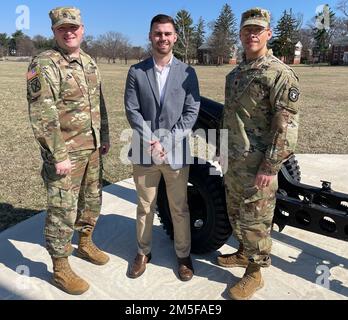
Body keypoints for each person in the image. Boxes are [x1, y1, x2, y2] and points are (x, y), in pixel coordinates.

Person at [217, 7, 300, 300]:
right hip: (234, 162)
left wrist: (270, 165)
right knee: (237, 215)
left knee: (256, 221)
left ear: (268, 33)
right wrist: (222, 152)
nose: (252, 34)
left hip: (259, 166)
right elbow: (229, 117)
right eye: (247, 30)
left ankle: (255, 273)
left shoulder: (279, 73)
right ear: (240, 35)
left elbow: (286, 127)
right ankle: (243, 254)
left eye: (257, 30)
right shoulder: (235, 74)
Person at [27, 6, 110, 295]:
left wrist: (105, 137)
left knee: (91, 200)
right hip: (66, 154)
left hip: (92, 148)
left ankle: (85, 242)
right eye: (63, 28)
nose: (69, 31)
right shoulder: (44, 63)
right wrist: (57, 155)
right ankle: (60, 267)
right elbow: (42, 115)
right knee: (62, 208)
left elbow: (98, 102)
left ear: (82, 29)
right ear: (54, 32)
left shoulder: (88, 61)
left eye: (73, 26)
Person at [124, 14, 200, 281]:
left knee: (179, 207)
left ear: (175, 37)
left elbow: (191, 111)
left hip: (175, 152)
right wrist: (151, 141)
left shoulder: (188, 73)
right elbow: (132, 110)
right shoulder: (136, 72)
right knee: (145, 206)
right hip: (145, 152)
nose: (163, 38)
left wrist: (166, 142)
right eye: (158, 33)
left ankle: (183, 255)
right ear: (150, 36)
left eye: (167, 33)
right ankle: (143, 252)